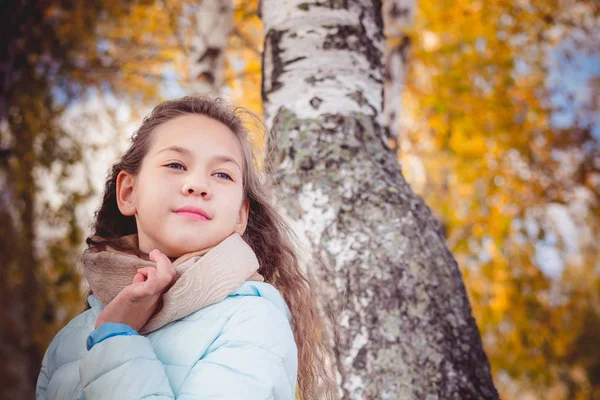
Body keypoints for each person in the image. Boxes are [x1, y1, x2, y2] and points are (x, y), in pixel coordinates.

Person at [36, 96, 335, 399]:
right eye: (176, 164)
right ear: (128, 192)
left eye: (222, 174)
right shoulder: (72, 337)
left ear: (240, 217)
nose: (198, 184)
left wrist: (115, 337)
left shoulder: (253, 320)